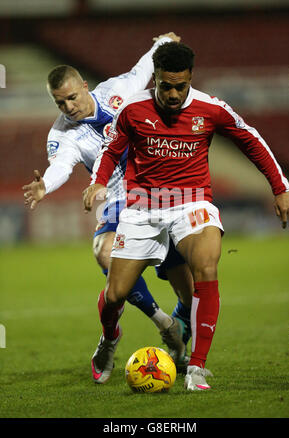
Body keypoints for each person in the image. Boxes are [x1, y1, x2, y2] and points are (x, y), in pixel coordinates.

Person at [83, 41, 289, 391]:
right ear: (155, 79)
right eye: (165, 86)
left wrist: (281, 187)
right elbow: (112, 150)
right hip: (142, 207)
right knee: (114, 295)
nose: (172, 94)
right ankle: (109, 341)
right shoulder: (133, 110)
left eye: (179, 86)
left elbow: (252, 139)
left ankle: (197, 367)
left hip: (191, 203)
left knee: (207, 268)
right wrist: (97, 183)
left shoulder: (210, 108)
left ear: (190, 79)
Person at [22, 34, 193, 378]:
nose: (68, 107)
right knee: (104, 251)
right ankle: (137, 330)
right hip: (117, 199)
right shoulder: (63, 135)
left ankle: (179, 332)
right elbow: (61, 165)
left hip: (160, 193)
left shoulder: (116, 91)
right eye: (60, 103)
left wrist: (161, 41)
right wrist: (45, 186)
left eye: (71, 97)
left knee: (190, 292)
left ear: (85, 86)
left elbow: (143, 68)